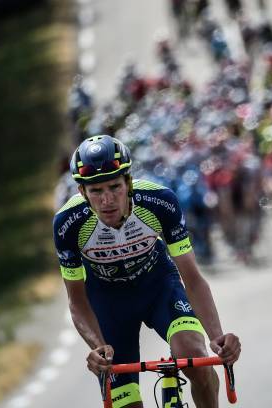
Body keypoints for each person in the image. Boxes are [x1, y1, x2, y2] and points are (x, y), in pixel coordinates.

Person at [53, 135, 241, 407]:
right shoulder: (67, 223)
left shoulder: (158, 201)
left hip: (158, 286)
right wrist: (96, 347)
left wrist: (217, 336)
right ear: (82, 193)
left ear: (128, 181)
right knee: (126, 402)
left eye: (114, 187)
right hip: (108, 303)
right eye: (96, 191)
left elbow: (193, 278)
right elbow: (77, 300)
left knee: (192, 355)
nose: (107, 200)